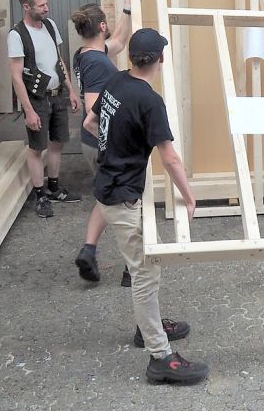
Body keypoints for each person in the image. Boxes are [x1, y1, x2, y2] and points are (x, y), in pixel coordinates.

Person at [83, 28, 208, 384]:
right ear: (160, 59)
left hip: (109, 187)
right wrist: (189, 194)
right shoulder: (149, 100)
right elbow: (169, 157)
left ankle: (149, 325)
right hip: (121, 197)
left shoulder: (115, 81)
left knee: (145, 270)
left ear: (131, 57)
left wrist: (117, 152)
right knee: (145, 273)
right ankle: (159, 355)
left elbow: (92, 123)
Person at [71, 0, 133, 285]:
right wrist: (113, 147)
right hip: (100, 142)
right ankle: (130, 268)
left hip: (91, 142)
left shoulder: (85, 54)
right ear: (101, 27)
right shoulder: (97, 63)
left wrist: (127, 10)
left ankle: (89, 249)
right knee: (125, 205)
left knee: (105, 199)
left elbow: (119, 42)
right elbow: (90, 112)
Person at [8, 0, 81, 219]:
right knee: (37, 148)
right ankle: (40, 196)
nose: (46, 8)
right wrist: (28, 111)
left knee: (58, 142)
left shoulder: (50, 25)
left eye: (46, 4)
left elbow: (59, 59)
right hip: (37, 98)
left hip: (58, 95)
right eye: (41, 6)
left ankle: (54, 188)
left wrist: (71, 90)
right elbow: (16, 77)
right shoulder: (17, 35)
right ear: (26, 7)